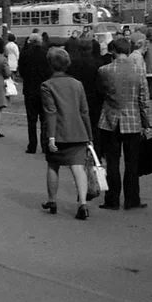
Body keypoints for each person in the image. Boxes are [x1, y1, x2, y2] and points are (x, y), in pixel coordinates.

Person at [96, 37, 151, 210]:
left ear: (113, 51)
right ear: (128, 51)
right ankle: (132, 199)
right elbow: (143, 99)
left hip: (110, 119)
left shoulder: (104, 70)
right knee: (132, 163)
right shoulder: (138, 70)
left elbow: (100, 93)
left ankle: (112, 200)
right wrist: (146, 123)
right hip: (132, 120)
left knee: (112, 162)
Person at [40, 47, 94, 220]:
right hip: (78, 131)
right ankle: (83, 204)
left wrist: (51, 136)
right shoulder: (77, 84)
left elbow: (51, 112)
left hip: (59, 132)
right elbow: (84, 111)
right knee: (78, 168)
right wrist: (89, 136)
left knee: (53, 165)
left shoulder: (47, 85)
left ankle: (52, 200)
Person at [18, 32, 51, 154]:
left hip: (29, 88)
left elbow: (21, 71)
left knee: (31, 119)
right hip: (44, 89)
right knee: (44, 118)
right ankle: (45, 144)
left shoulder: (25, 54)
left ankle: (32, 145)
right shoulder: (46, 54)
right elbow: (49, 71)